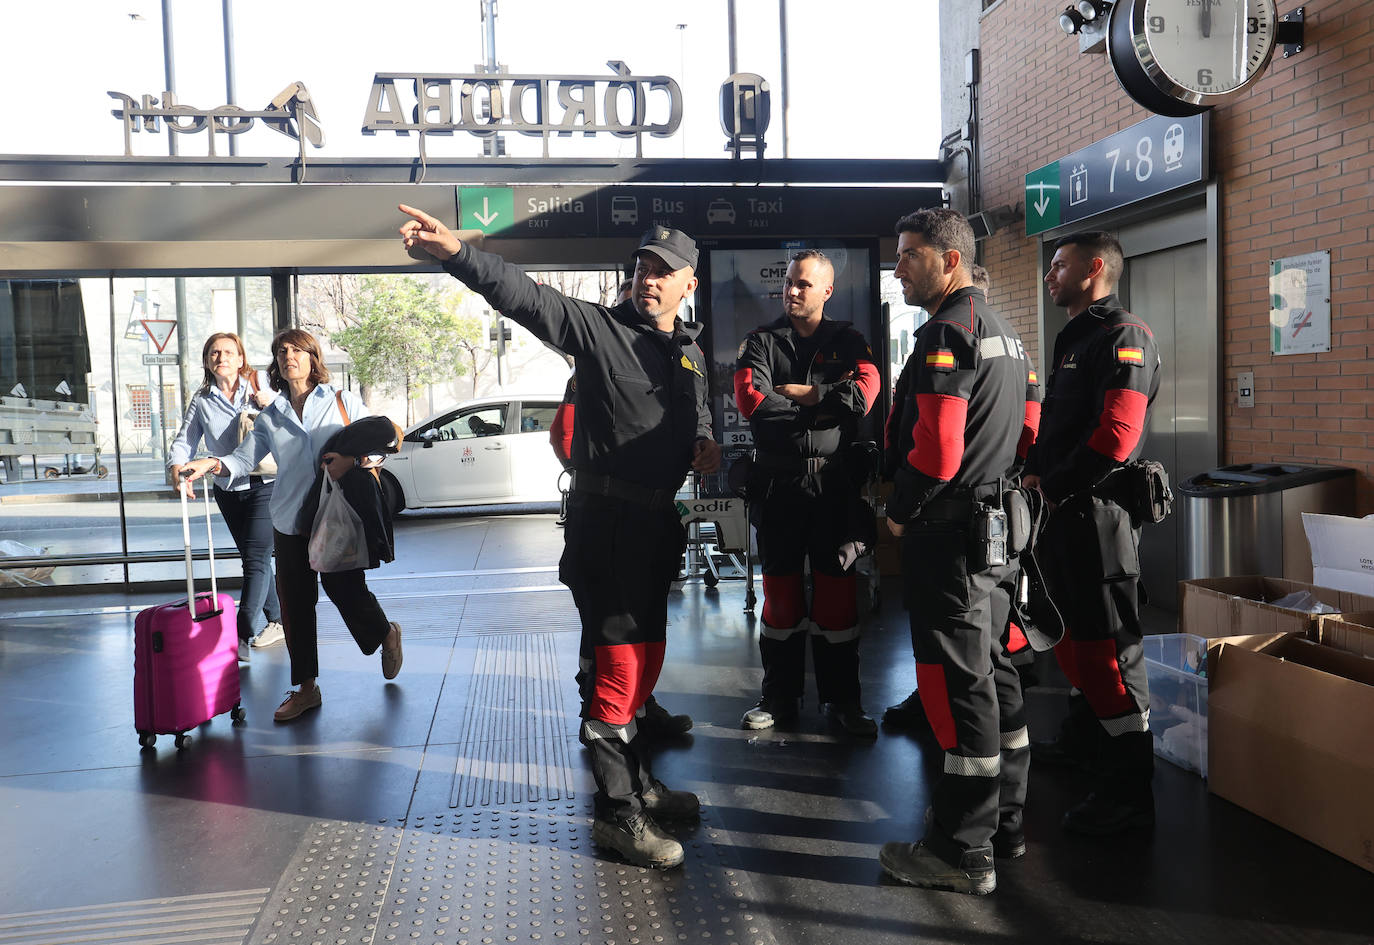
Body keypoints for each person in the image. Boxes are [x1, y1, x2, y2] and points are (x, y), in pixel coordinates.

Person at [400, 205, 721, 871]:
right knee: (618, 672)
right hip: (607, 526)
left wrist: (706, 440)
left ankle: (639, 784)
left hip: (660, 523)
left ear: (690, 283)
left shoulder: (688, 350)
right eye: (641, 268)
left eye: (663, 272)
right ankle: (617, 814)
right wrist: (460, 254)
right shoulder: (601, 331)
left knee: (647, 664)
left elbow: (702, 412)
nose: (648, 279)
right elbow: (528, 298)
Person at [877, 208, 1035, 896]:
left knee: (965, 683)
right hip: (996, 528)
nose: (898, 268)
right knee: (997, 671)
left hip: (951, 534)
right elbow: (1029, 427)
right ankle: (1006, 825)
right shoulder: (1005, 332)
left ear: (951, 261)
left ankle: (961, 850)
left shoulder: (946, 332)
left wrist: (899, 510)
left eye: (910, 255)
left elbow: (937, 451)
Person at [180, 328, 404, 723]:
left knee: (346, 590)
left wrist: (352, 461)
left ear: (313, 358)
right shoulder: (271, 416)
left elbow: (390, 438)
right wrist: (210, 464)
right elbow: (242, 459)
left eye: (297, 350)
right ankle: (306, 689)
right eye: (282, 351)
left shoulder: (340, 400)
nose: (289, 356)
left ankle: (385, 634)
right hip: (288, 519)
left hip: (333, 517)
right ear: (276, 364)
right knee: (296, 605)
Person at [1024, 230, 1162, 836]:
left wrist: (1056, 485)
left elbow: (1117, 436)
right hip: (1062, 515)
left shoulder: (1124, 336)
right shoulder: (1074, 337)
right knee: (1074, 642)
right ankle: (1085, 744)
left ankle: (1128, 791)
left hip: (1098, 517)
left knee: (1109, 653)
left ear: (1096, 268)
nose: (1051, 275)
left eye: (1060, 266)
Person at [732, 249, 881, 735]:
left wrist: (804, 393)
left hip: (834, 488)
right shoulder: (759, 342)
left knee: (837, 598)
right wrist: (826, 403)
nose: (792, 290)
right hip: (778, 486)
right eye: (790, 283)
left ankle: (844, 703)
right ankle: (779, 697)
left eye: (804, 284)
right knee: (780, 598)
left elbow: (864, 394)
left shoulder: (851, 339)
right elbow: (753, 401)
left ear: (827, 291)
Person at [168, 333, 283, 662]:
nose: (222, 357)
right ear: (207, 360)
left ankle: (239, 636)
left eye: (229, 352)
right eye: (214, 353)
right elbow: (185, 439)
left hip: (265, 483)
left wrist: (267, 404)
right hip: (228, 489)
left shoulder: (260, 387)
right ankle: (278, 620)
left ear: (241, 357)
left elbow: (288, 420)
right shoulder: (202, 399)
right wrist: (178, 468)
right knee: (255, 560)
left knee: (256, 561)